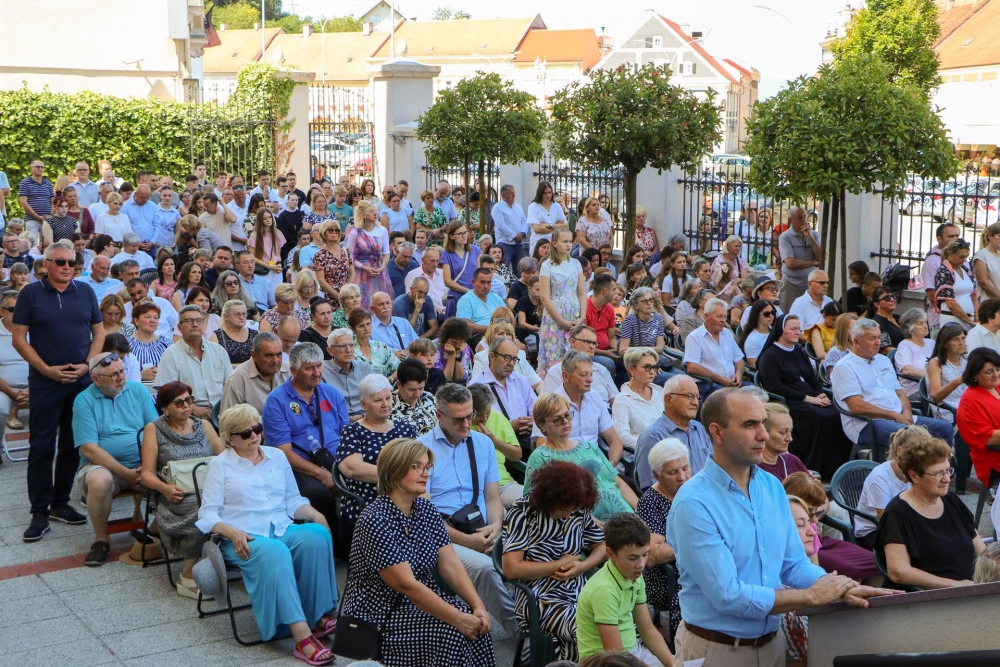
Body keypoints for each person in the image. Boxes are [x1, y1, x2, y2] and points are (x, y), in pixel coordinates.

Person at [667, 389, 893, 666]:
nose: (763, 434)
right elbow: (728, 596)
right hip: (717, 651)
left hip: (774, 647)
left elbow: (794, 564)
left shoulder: (771, 487)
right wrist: (811, 596)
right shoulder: (693, 503)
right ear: (717, 432)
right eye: (750, 424)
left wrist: (838, 587)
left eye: (763, 422)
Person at [195, 404, 338, 662]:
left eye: (257, 429)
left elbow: (292, 500)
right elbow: (207, 515)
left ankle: (317, 614)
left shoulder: (276, 456)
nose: (253, 436)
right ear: (229, 438)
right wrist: (232, 532)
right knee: (276, 553)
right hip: (242, 536)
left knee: (317, 535)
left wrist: (316, 514)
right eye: (245, 433)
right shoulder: (221, 465)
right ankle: (302, 636)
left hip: (280, 527)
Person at [337, 437, 497, 667]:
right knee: (454, 632)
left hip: (419, 598)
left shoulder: (425, 509)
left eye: (427, 466)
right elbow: (405, 584)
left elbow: (450, 564)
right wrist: (457, 618)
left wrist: (477, 605)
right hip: (380, 612)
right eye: (416, 467)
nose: (426, 473)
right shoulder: (374, 518)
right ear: (394, 470)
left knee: (478, 627)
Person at [13, 240, 104, 541]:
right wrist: (45, 369)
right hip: (45, 381)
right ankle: (39, 511)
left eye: (72, 262)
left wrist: (88, 365)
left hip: (80, 380)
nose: (68, 267)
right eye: (61, 262)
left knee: (72, 444)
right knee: (41, 447)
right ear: (47, 264)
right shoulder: (30, 293)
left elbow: (99, 331)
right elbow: (19, 338)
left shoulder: (86, 291)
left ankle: (60, 503)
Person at [417, 383, 519, 638]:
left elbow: (493, 497)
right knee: (485, 568)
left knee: (537, 550)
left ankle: (552, 621)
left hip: (482, 527)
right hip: (444, 535)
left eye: (470, 415)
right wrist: (467, 540)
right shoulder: (421, 450)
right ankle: (523, 635)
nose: (466, 423)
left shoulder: (482, 443)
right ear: (439, 416)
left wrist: (496, 527)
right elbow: (424, 514)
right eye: (459, 418)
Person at [501, 461, 606, 662]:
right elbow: (511, 569)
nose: (568, 515)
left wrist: (582, 566)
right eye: (564, 509)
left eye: (572, 509)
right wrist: (559, 563)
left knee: (617, 622)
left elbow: (601, 547)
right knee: (589, 629)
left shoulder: (576, 507)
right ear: (550, 497)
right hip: (538, 596)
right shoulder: (522, 512)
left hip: (578, 589)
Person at [72, 352, 159, 565]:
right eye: (113, 375)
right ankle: (101, 539)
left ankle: (155, 530)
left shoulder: (138, 390)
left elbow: (156, 432)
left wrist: (146, 466)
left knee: (179, 474)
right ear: (96, 379)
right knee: (100, 480)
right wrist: (127, 474)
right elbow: (89, 450)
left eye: (122, 371)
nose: (121, 377)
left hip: (142, 465)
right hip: (102, 466)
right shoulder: (84, 400)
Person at [140, 382, 225, 597]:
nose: (186, 406)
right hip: (177, 495)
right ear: (165, 409)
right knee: (201, 509)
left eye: (189, 400)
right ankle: (187, 574)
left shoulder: (203, 425)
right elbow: (146, 474)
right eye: (179, 402)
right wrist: (165, 489)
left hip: (210, 488)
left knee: (228, 502)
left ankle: (222, 562)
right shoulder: (154, 430)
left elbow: (224, 458)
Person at [262, 342, 350, 541]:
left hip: (336, 460)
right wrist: (322, 474)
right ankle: (335, 544)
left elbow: (347, 436)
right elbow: (283, 452)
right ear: (293, 370)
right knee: (318, 493)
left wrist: (345, 468)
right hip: (299, 467)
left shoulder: (332, 394)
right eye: (309, 368)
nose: (317, 372)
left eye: (319, 366)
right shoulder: (277, 401)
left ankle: (361, 540)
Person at [875, 435, 986, 589]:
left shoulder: (952, 502)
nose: (947, 479)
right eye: (937, 474)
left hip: (968, 590)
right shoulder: (897, 514)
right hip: (926, 600)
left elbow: (982, 551)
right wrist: (954, 585)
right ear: (914, 476)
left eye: (948, 471)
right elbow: (898, 572)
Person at [832, 318, 954, 455]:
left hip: (899, 416)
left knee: (945, 428)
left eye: (879, 337)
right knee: (911, 437)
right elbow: (857, 406)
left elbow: (900, 393)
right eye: (872, 338)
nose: (878, 342)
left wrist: (906, 412)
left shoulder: (883, 360)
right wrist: (894, 415)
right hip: (867, 424)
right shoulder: (845, 366)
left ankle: (943, 470)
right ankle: (917, 473)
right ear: (856, 342)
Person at [757, 314, 849, 479]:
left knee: (837, 413)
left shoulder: (799, 352)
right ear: (781, 330)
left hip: (810, 397)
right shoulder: (770, 355)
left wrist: (820, 393)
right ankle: (817, 466)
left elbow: (812, 379)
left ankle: (838, 466)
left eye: (798, 329)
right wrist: (808, 398)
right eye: (792, 328)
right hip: (787, 402)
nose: (797, 332)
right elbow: (775, 387)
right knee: (821, 418)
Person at [575, 513, 674, 666]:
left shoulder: (634, 575)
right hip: (604, 661)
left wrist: (673, 664)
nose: (641, 564)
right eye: (632, 558)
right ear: (610, 554)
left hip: (633, 650)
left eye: (645, 555)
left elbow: (647, 630)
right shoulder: (604, 590)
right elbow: (615, 656)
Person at [528, 392, 636, 520]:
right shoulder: (540, 457)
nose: (565, 422)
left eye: (567, 415)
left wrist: (641, 509)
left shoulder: (589, 447)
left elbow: (618, 483)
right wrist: (586, 521)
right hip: (587, 529)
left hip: (627, 518)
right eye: (557, 419)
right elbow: (537, 503)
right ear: (541, 425)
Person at [335, 374, 418, 534]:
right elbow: (352, 469)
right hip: (368, 501)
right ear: (363, 404)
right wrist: (400, 476)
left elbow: (419, 464)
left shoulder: (405, 429)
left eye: (388, 398)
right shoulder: (352, 431)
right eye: (378, 400)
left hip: (406, 497)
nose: (385, 404)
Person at [635, 438, 691, 638]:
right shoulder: (650, 503)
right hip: (668, 578)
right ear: (656, 475)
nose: (683, 477)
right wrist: (697, 541)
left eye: (685, 468)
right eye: (673, 472)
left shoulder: (696, 492)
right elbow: (653, 555)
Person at [782, 472, 881, 583]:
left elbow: (815, 567)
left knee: (877, 561)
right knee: (852, 570)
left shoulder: (812, 527)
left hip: (819, 546)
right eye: (809, 512)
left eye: (817, 513)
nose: (815, 520)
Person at [853, 425, 927, 550]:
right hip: (873, 532)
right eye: (917, 452)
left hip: (906, 523)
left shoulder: (918, 471)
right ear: (900, 451)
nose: (923, 457)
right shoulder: (879, 478)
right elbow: (888, 522)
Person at [154, 305, 233, 419]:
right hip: (188, 415)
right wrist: (194, 409)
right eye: (189, 321)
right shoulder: (170, 354)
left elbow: (230, 385)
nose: (195, 324)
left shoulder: (219, 350)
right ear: (179, 327)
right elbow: (166, 393)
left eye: (199, 320)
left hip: (223, 411)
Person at [634, 375, 712, 488]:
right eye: (689, 396)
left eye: (697, 397)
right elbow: (653, 491)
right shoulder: (652, 437)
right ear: (668, 400)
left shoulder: (699, 428)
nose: (695, 403)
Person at [468, 383, 524, 507]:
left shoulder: (496, 416)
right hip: (473, 489)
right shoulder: (460, 424)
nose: (485, 418)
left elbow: (517, 455)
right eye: (479, 415)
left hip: (503, 484)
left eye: (487, 412)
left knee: (535, 501)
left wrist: (494, 441)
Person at [957, 347, 1000, 496]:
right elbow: (987, 437)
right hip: (993, 458)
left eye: (997, 369)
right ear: (975, 374)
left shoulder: (997, 386)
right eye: (989, 372)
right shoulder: (971, 400)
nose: (996, 375)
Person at [683, 297, 745, 393]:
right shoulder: (695, 337)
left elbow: (739, 359)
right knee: (735, 399)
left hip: (732, 382)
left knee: (758, 392)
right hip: (709, 384)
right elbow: (692, 367)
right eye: (719, 316)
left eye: (725, 316)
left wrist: (738, 374)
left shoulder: (727, 333)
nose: (723, 320)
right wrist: (721, 379)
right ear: (707, 316)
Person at [613, 347, 667, 454]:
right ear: (631, 369)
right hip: (645, 453)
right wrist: (654, 448)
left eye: (654, 367)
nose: (652, 372)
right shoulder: (622, 400)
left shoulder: (661, 392)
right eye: (647, 367)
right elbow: (623, 436)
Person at [220, 332, 288, 414]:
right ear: (254, 356)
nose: (275, 361)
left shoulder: (290, 372)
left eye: (279, 354)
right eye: (268, 356)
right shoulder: (237, 379)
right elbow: (227, 421)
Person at [778, 206, 824, 311]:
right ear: (790, 220)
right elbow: (790, 263)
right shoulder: (785, 237)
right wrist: (813, 262)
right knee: (789, 317)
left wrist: (810, 237)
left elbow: (822, 257)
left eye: (804, 216)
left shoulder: (814, 235)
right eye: (799, 217)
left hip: (811, 286)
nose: (803, 220)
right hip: (791, 285)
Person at [321, 328, 373, 419]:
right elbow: (322, 407)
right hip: (338, 422)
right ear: (330, 351)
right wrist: (349, 419)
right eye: (342, 346)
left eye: (351, 345)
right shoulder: (321, 372)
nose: (348, 350)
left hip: (367, 419)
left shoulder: (365, 368)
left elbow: (378, 395)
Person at [925, 323, 968, 422]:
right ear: (945, 344)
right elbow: (935, 396)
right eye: (956, 339)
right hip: (949, 411)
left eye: (963, 338)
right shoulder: (936, 363)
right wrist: (958, 381)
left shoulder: (966, 359)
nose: (961, 343)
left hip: (970, 405)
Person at [0, 289, 29, 437]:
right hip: (4, 389)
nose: (18, 313)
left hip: (37, 386)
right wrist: (12, 392)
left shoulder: (36, 330)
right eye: (12, 310)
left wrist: (34, 388)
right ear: (1, 311)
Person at [756, 402, 810, 480]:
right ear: (764, 432)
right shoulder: (752, 469)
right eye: (783, 432)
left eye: (790, 431)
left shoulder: (793, 461)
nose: (790, 438)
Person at [934, 238, 979, 332]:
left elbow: (974, 296)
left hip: (970, 319)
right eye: (961, 257)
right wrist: (969, 322)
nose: (964, 260)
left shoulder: (965, 270)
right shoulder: (944, 271)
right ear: (950, 253)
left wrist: (976, 318)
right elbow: (951, 304)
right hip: (952, 319)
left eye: (966, 257)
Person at [441, 221, 482, 316]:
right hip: (457, 296)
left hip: (474, 295)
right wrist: (468, 291)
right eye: (460, 233)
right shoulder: (446, 254)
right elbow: (447, 281)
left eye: (465, 232)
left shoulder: (475, 250)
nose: (464, 236)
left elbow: (480, 273)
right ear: (451, 236)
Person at [390, 358, 437, 436]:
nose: (417, 394)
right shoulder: (388, 406)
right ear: (399, 384)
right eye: (412, 390)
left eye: (421, 388)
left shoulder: (429, 398)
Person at [309, 221, 353, 306]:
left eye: (336, 230)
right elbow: (321, 280)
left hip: (347, 296)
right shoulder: (320, 255)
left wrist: (347, 292)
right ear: (324, 233)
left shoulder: (345, 251)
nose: (334, 232)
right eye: (330, 230)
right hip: (328, 298)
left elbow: (352, 274)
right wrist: (338, 297)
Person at [349, 307, 399, 378]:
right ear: (352, 329)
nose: (366, 329)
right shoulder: (349, 350)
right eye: (361, 326)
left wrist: (388, 380)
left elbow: (399, 368)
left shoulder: (382, 347)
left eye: (368, 324)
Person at [208, 299, 258, 367]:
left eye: (244, 314)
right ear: (226, 316)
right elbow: (213, 364)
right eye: (237, 314)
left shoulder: (254, 334)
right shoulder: (216, 336)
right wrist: (243, 367)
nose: (241, 317)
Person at [491, 184, 528, 278]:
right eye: (511, 193)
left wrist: (522, 233)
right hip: (505, 243)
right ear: (504, 195)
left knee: (520, 268)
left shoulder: (518, 207)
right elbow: (500, 225)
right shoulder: (497, 207)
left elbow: (524, 221)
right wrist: (514, 236)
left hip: (519, 244)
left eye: (514, 193)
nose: (514, 195)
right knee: (503, 268)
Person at [405, 246, 447, 316]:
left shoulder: (443, 273)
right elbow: (412, 297)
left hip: (447, 311)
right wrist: (431, 306)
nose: (435, 264)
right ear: (423, 260)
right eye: (432, 261)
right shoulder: (412, 275)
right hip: (429, 312)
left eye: (437, 261)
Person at [434, 317, 473, 385]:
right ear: (445, 338)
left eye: (460, 342)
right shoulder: (434, 347)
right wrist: (451, 356)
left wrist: (457, 356)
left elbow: (460, 379)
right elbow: (444, 379)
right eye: (453, 342)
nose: (457, 346)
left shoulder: (464, 347)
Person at [864, 285, 903, 352]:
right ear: (877, 304)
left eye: (893, 296)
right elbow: (885, 349)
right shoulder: (876, 323)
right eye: (887, 298)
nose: (892, 300)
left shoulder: (899, 318)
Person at [739, 299, 776, 368]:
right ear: (756, 316)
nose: (771, 316)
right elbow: (754, 366)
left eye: (773, 312)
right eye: (766, 314)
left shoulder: (775, 331)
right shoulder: (752, 340)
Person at [973, 222, 1000, 301]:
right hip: (989, 302)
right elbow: (983, 282)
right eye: (999, 236)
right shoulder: (981, 255)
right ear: (990, 236)